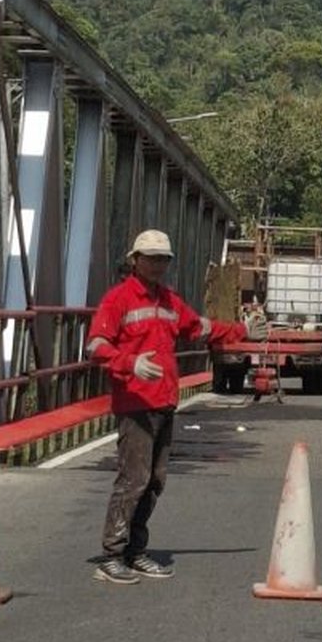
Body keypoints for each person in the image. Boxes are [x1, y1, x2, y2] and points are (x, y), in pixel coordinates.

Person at [85, 229, 268, 584]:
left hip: (163, 401)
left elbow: (199, 328)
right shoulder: (118, 300)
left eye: (163, 259)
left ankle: (135, 551)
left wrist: (241, 332)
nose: (158, 265)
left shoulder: (169, 301)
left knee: (154, 481)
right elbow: (95, 345)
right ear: (135, 260)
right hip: (135, 403)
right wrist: (129, 363)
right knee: (134, 479)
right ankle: (112, 555)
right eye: (151, 258)